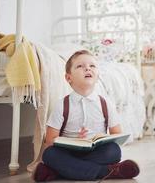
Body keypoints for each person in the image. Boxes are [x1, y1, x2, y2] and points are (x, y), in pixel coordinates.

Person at [33, 50, 140, 181]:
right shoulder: (62, 105)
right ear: (68, 78)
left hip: (95, 152)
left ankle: (58, 172)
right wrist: (74, 141)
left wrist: (103, 137)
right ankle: (109, 171)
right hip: (69, 152)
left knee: (114, 150)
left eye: (92, 66)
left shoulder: (106, 104)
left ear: (97, 75)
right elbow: (50, 140)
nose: (87, 68)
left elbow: (117, 134)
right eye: (80, 66)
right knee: (49, 154)